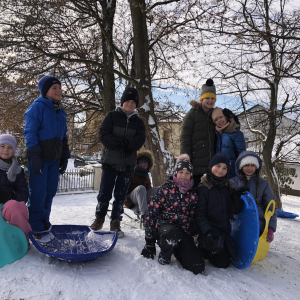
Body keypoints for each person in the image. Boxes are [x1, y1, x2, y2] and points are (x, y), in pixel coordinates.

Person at [90, 87, 146, 238]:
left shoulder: (138, 122)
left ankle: (116, 221)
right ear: (122, 102)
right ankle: (99, 218)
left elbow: (140, 139)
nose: (130, 104)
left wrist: (128, 145)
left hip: (127, 164)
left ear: (136, 104)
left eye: (133, 101)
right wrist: (117, 144)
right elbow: (103, 134)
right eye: (127, 101)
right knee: (104, 193)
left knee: (121, 195)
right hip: (110, 161)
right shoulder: (112, 116)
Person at [141, 154, 205, 275]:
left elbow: (194, 217)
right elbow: (151, 214)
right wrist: (149, 241)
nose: (184, 176)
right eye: (181, 172)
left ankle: (176, 248)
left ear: (191, 174)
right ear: (176, 173)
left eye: (187, 173)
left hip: (184, 231)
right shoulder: (166, 189)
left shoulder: (193, 194)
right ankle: (165, 253)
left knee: (198, 267)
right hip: (165, 227)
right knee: (171, 234)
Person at [24, 75, 70, 232]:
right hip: (40, 158)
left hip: (54, 159)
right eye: (54, 88)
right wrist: (34, 156)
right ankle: (35, 226)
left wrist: (64, 154)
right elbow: (30, 132)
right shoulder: (37, 107)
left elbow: (63, 135)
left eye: (59, 87)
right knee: (38, 193)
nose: (58, 90)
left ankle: (44, 223)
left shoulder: (60, 111)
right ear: (45, 91)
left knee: (49, 193)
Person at [195, 152, 243, 269]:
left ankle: (222, 244)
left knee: (227, 261)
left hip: (224, 232)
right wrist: (207, 231)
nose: (220, 170)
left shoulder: (228, 187)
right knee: (222, 263)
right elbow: (200, 214)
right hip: (209, 232)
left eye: (224, 168)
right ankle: (202, 247)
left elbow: (235, 211)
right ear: (211, 166)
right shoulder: (203, 188)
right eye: (218, 166)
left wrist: (236, 198)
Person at [230, 150, 277, 241]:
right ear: (241, 166)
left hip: (257, 223)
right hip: (237, 220)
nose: (249, 168)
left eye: (252, 165)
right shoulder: (233, 183)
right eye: (246, 165)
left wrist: (270, 227)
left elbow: (271, 207)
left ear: (257, 167)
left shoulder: (264, 184)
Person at [180, 79, 216, 187]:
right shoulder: (192, 114)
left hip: (212, 166)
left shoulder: (215, 114)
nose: (210, 101)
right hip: (196, 165)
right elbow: (185, 138)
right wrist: (186, 161)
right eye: (207, 98)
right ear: (202, 99)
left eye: (212, 98)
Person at [0, 134, 31, 242]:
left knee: (17, 207)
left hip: (6, 207)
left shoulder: (18, 171)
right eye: (2, 146)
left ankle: (22, 240)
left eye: (10, 147)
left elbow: (24, 194)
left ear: (14, 150)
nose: (5, 150)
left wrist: (12, 195)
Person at [123, 149, 159, 226]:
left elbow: (149, 190)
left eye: (146, 162)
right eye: (141, 162)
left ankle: (160, 211)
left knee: (160, 189)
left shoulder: (146, 176)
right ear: (137, 163)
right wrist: (132, 206)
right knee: (141, 188)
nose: (144, 164)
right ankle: (144, 216)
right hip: (131, 198)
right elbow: (122, 193)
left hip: (142, 197)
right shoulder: (131, 173)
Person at [212, 107, 246, 179]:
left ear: (226, 117)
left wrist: (241, 173)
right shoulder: (217, 134)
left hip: (233, 173)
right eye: (216, 120)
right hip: (219, 173)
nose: (219, 121)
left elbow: (241, 154)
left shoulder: (236, 134)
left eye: (221, 117)